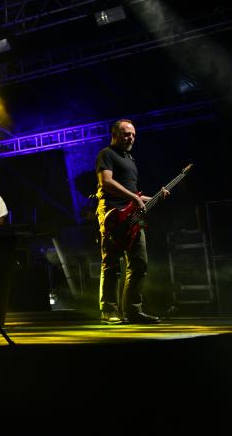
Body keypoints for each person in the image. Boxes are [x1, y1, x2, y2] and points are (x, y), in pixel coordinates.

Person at [95, 118, 167, 324]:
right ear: (115, 134)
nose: (131, 138)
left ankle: (133, 311)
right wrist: (134, 197)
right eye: (127, 134)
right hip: (112, 214)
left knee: (139, 263)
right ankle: (109, 311)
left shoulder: (131, 159)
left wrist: (153, 197)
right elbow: (106, 182)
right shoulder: (106, 154)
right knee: (112, 263)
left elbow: (134, 193)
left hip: (132, 216)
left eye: (133, 135)